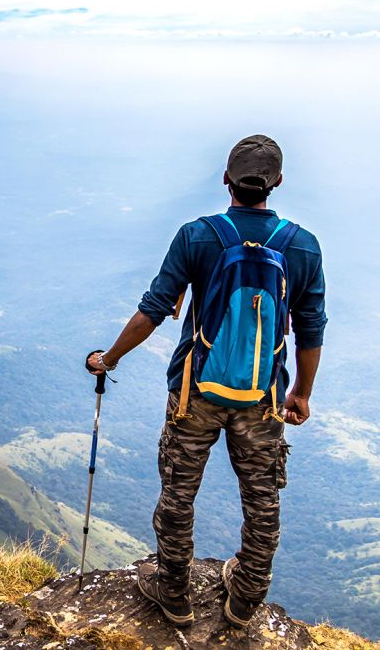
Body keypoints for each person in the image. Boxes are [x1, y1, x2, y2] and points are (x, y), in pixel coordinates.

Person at [86, 135, 326, 629]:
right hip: (262, 397)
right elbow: (310, 328)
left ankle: (174, 594)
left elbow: (153, 311)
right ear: (277, 182)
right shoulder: (302, 246)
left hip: (193, 393)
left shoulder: (198, 236)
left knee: (179, 493)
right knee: (262, 499)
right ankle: (245, 600)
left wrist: (108, 359)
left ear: (226, 179)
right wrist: (301, 393)